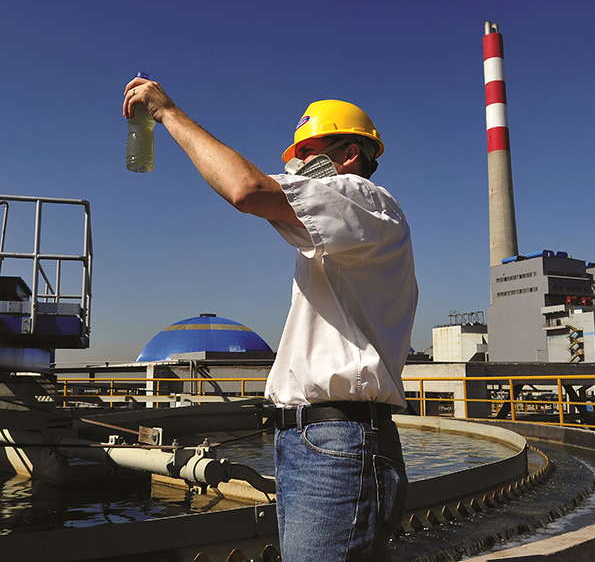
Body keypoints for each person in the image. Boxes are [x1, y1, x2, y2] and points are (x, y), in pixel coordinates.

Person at [123, 77, 418, 561]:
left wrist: (166, 112)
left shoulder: (363, 198)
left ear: (348, 154)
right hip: (317, 440)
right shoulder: (341, 233)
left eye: (306, 154)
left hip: (338, 441)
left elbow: (246, 189)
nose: (296, 167)